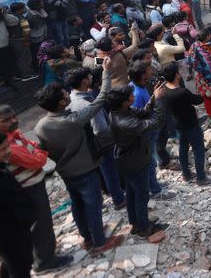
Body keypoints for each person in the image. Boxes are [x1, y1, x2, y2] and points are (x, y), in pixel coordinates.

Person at [34, 72, 124, 254]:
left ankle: (88, 237)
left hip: (66, 172)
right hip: (85, 170)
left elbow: (46, 151)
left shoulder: (40, 126)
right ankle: (100, 242)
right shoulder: (72, 121)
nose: (68, 94)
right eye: (65, 94)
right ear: (60, 102)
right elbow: (99, 102)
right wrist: (106, 76)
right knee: (93, 204)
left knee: (77, 204)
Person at [0, 106, 73, 272]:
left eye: (13, 117)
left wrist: (35, 151)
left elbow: (33, 151)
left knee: (41, 225)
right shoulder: (7, 145)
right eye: (6, 120)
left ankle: (44, 254)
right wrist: (38, 151)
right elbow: (37, 161)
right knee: (41, 225)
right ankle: (45, 263)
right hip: (29, 188)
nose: (13, 121)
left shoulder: (13, 137)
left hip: (32, 184)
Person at [107, 85, 169, 238]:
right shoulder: (125, 122)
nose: (133, 96)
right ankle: (144, 228)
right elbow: (155, 122)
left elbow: (144, 112)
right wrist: (160, 100)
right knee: (142, 194)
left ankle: (136, 223)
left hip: (130, 159)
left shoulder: (121, 112)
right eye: (130, 95)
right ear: (124, 102)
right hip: (134, 162)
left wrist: (154, 97)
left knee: (132, 193)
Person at [66, 67, 125, 210]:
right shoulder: (86, 104)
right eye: (89, 77)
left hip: (89, 144)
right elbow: (100, 129)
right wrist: (118, 133)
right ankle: (119, 200)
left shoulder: (72, 98)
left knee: (105, 171)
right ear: (85, 81)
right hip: (103, 143)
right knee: (110, 172)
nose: (91, 78)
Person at [0, 129, 36, 278]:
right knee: (21, 266)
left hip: (18, 229)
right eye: (2, 149)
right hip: (8, 237)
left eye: (7, 146)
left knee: (14, 263)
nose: (9, 151)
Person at [157, 62, 211, 185]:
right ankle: (201, 177)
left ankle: (186, 174)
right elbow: (197, 100)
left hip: (178, 124)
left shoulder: (164, 90)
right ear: (176, 75)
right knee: (198, 149)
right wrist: (204, 92)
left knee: (183, 148)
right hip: (191, 124)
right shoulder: (182, 92)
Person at [128, 61, 170, 200]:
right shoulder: (136, 94)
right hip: (146, 132)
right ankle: (155, 190)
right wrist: (157, 99)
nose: (151, 72)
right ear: (142, 75)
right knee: (150, 162)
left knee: (150, 160)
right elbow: (140, 115)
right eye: (148, 70)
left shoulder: (138, 86)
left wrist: (154, 95)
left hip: (149, 129)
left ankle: (153, 183)